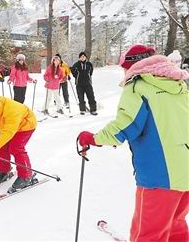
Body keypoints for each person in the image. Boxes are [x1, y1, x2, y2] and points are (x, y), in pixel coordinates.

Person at [77, 44, 189, 242]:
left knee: (148, 235)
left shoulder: (139, 86)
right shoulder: (179, 85)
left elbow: (125, 126)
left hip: (160, 176)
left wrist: (93, 138)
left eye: (124, 68)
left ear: (132, 66)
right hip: (186, 173)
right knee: (174, 223)